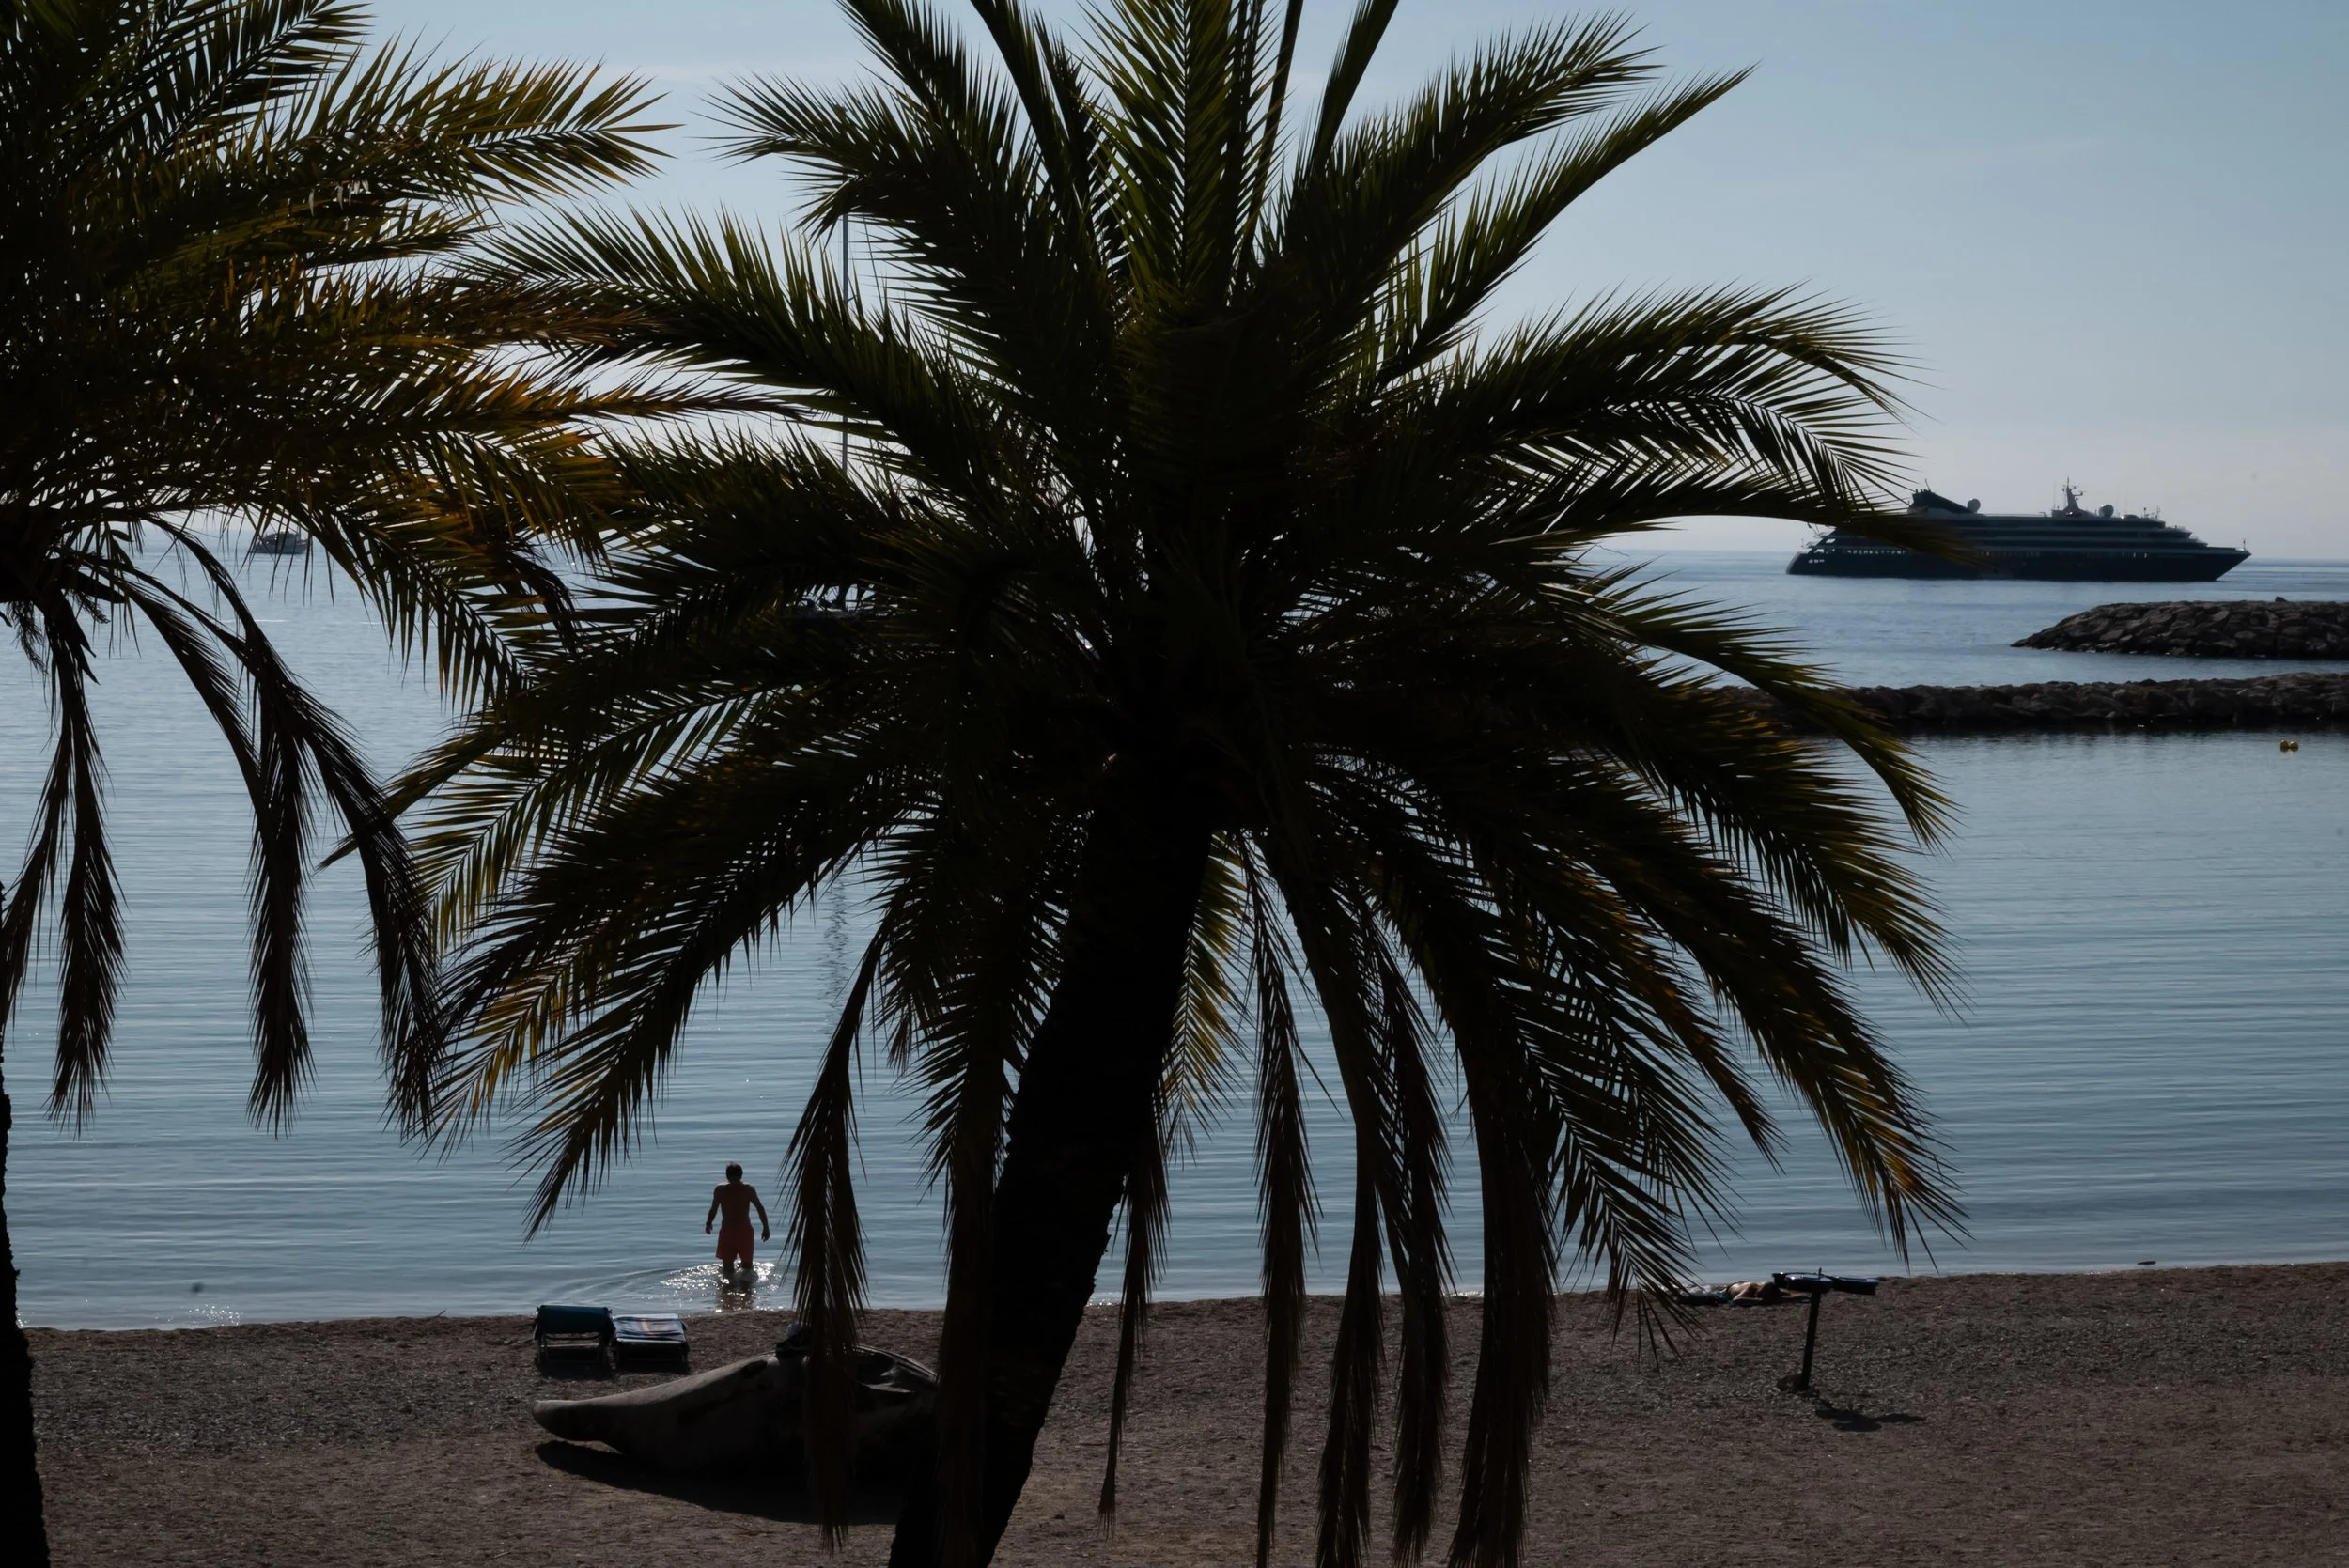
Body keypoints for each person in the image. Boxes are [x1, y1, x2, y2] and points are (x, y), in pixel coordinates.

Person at [705, 1163, 771, 1282]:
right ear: (740, 1175)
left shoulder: (722, 1189)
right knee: (740, 1269)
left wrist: (709, 1223)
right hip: (738, 1232)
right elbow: (760, 1208)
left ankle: (731, 1291)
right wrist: (708, 1222)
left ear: (727, 1176)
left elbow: (760, 1208)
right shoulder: (746, 1189)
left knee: (736, 1269)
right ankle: (743, 1292)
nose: (734, 1180)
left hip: (734, 1232)